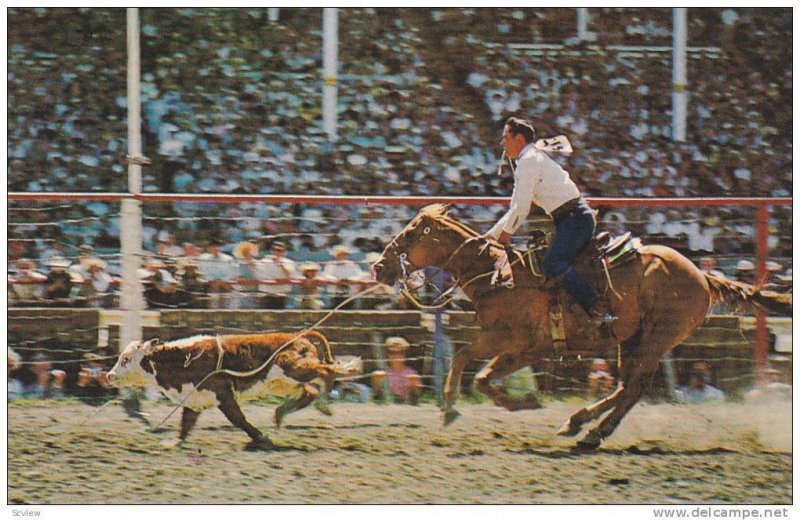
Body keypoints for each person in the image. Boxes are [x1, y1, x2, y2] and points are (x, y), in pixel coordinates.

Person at [485, 116, 614, 326]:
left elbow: (520, 207)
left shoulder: (527, 163)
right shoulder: (529, 160)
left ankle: (595, 305)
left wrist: (503, 235)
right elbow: (517, 207)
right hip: (570, 219)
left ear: (518, 139)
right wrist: (492, 235)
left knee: (551, 262)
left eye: (505, 137)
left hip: (574, 219)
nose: (502, 143)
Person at [373, 337, 422, 404]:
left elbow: (416, 398)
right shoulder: (382, 373)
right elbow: (376, 396)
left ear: (405, 354)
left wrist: (414, 386)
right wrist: (377, 382)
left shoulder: (411, 373)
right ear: (387, 354)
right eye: (392, 352)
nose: (396, 356)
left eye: (400, 352)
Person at [322, 245, 366, 309]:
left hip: (349, 291)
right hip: (335, 291)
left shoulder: (351, 264)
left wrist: (349, 280)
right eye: (340, 254)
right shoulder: (331, 264)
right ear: (336, 255)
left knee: (350, 307)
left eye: (344, 254)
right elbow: (326, 275)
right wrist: (337, 280)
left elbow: (360, 275)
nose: (342, 256)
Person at [256, 240, 297, 309]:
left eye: (279, 250)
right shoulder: (264, 262)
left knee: (280, 315)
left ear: (284, 252)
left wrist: (280, 264)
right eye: (274, 250)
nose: (276, 252)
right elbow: (258, 274)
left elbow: (289, 275)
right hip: (266, 292)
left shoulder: (289, 262)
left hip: (281, 293)